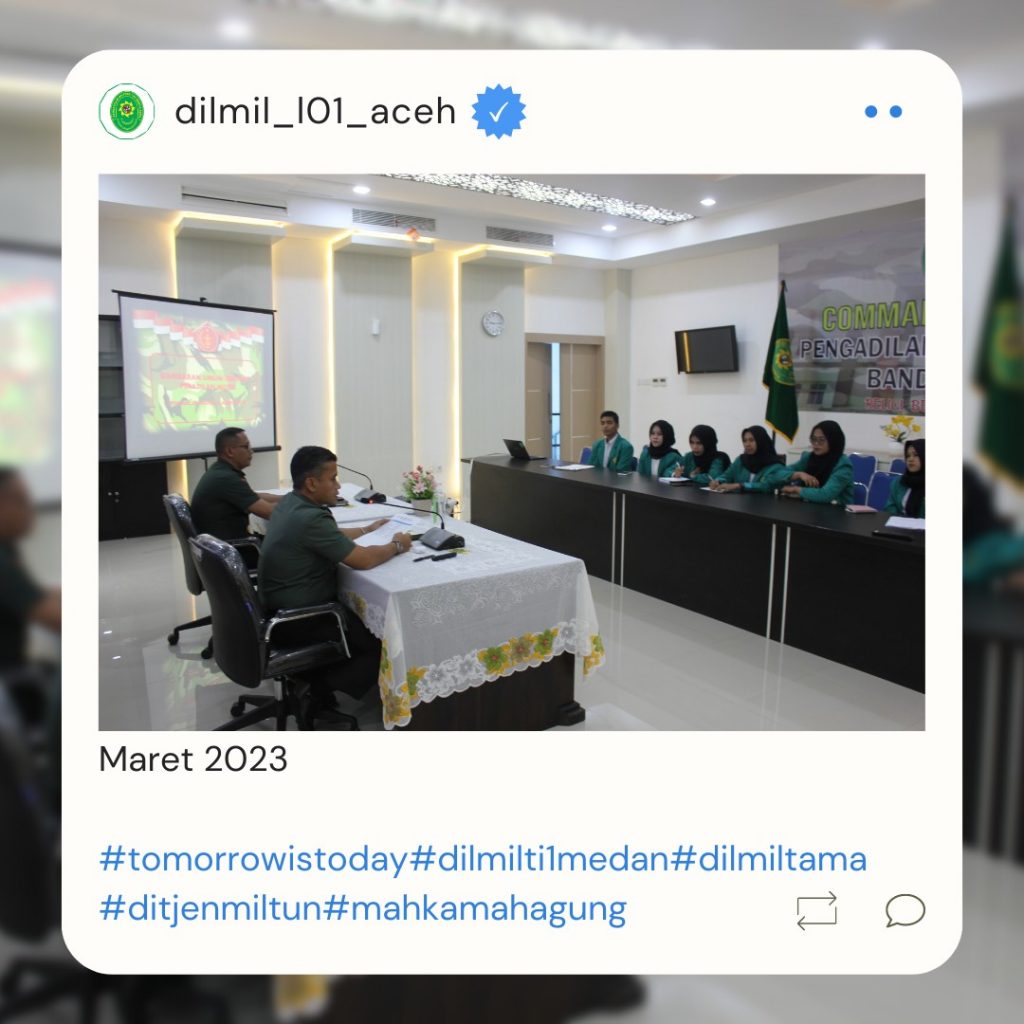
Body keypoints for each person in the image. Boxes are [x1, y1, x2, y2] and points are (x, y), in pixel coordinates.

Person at [257, 446, 412, 710]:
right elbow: (363, 560)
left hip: (276, 609)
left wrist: (367, 529)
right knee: (382, 644)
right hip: (299, 619)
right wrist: (397, 545)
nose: (338, 486)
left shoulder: (291, 503)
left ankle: (311, 679)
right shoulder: (310, 518)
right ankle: (314, 690)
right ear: (311, 483)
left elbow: (329, 536)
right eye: (333, 478)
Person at [189, 428, 283, 563]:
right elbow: (271, 513)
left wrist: (286, 498)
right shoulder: (226, 478)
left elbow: (252, 496)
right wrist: (300, 504)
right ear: (230, 451)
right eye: (246, 446)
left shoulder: (220, 471)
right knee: (296, 549)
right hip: (233, 552)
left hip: (222, 549)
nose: (251, 451)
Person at [0, 468, 60, 676]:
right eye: (22, 501)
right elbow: (56, 617)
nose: (30, 510)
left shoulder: (6, 548)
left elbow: (29, 592)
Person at [779, 419, 855, 504]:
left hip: (838, 510)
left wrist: (797, 490)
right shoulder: (809, 457)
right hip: (810, 507)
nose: (816, 443)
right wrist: (799, 474)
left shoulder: (843, 465)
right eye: (813, 439)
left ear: (833, 441)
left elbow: (826, 495)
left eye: (821, 440)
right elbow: (779, 473)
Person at [709, 426, 788, 493]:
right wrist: (718, 481)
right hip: (739, 504)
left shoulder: (775, 466)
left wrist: (740, 486)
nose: (747, 444)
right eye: (745, 441)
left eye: (751, 440)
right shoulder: (741, 460)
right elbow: (726, 476)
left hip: (763, 504)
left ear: (761, 441)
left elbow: (767, 486)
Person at [884, 439, 925, 517]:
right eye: (908, 456)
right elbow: (890, 508)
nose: (910, 459)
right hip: (898, 523)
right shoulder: (899, 482)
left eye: (916, 455)